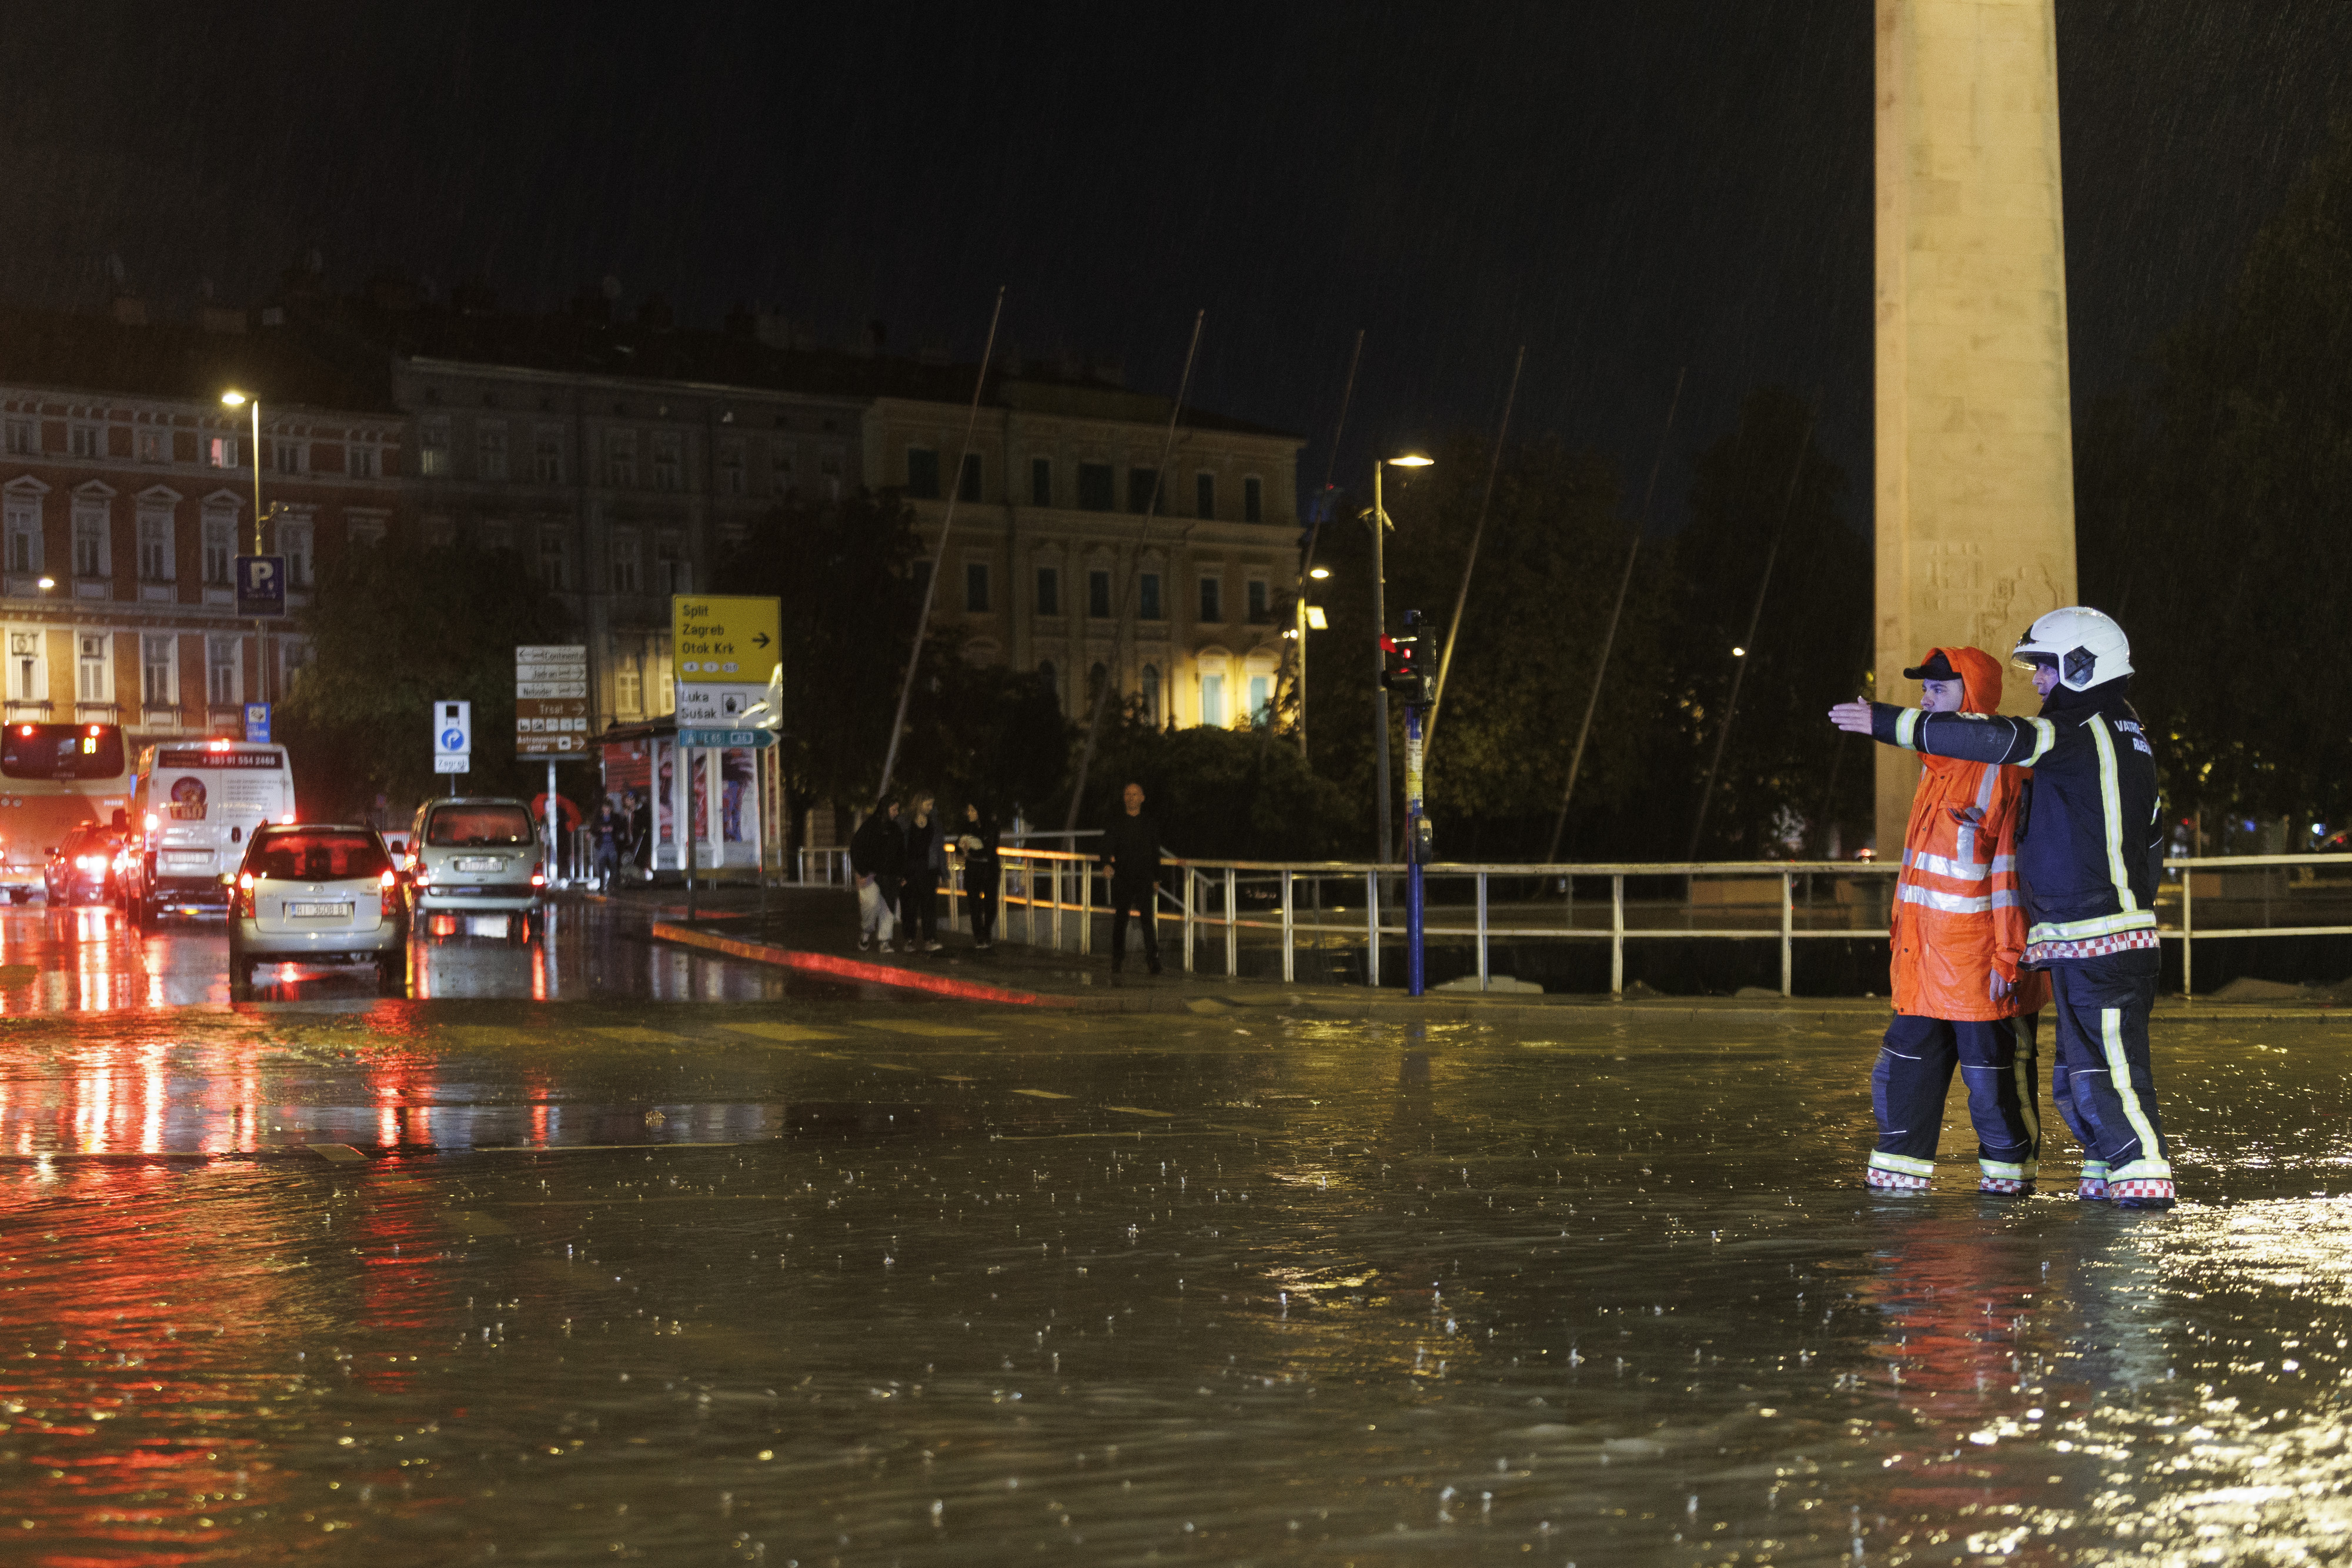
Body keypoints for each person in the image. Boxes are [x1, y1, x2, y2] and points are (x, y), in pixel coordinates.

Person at [1831, 606, 2173, 1209]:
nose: (2037, 680)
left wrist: (1885, 721)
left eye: (2046, 667)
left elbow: (2003, 740)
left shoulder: (2080, 729)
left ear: (2083, 665)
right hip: (2082, 935)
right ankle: (2107, 1177)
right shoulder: (2122, 734)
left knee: (2102, 1071)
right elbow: (2151, 841)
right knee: (2081, 1071)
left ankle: (2142, 1185)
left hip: (2083, 938)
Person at [1861, 646, 2049, 1197]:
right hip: (1927, 966)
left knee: (1995, 1090)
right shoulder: (1937, 770)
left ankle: (2009, 1189)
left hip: (1983, 970)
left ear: (1971, 699)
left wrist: (2010, 958)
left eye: (1938, 690)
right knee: (1903, 1076)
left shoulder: (2001, 773)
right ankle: (1897, 1182)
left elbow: (2013, 875)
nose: (1925, 699)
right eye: (1925, 689)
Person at [1099, 780, 1162, 975]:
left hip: (1144, 877)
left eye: (1135, 794)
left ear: (1142, 798)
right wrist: (1106, 863)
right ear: (1124, 798)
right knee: (1121, 919)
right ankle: (1117, 958)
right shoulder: (1116, 823)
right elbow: (1106, 845)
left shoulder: (1149, 824)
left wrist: (1157, 878)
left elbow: (1155, 853)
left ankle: (1152, 959)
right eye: (1128, 794)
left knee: (1147, 920)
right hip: (1123, 876)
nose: (1131, 798)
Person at [849, 799, 903, 952]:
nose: (897, 813)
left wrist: (901, 874)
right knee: (870, 905)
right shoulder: (869, 827)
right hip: (870, 875)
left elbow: (901, 853)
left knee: (888, 908)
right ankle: (866, 932)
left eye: (897, 809)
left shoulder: (895, 829)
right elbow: (856, 849)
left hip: (889, 876)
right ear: (885, 809)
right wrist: (861, 871)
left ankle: (885, 941)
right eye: (894, 809)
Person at [903, 794, 944, 953]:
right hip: (911, 871)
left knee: (929, 906)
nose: (930, 808)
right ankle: (909, 940)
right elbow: (900, 848)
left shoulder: (934, 823)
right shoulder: (906, 822)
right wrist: (901, 873)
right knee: (910, 907)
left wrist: (942, 871)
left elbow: (939, 849)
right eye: (928, 804)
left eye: (932, 805)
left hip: (929, 870)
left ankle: (930, 939)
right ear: (919, 804)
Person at [960, 801, 1001, 950]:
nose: (969, 813)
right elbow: (959, 844)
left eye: (972, 810)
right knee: (974, 904)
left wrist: (970, 853)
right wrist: (963, 849)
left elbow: (988, 850)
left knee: (990, 903)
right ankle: (979, 935)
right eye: (968, 810)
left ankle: (986, 931)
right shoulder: (967, 826)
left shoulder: (992, 827)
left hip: (989, 870)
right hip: (973, 870)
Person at [591, 800, 620, 892]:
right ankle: (602, 885)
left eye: (608, 808)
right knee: (602, 865)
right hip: (602, 845)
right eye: (605, 807)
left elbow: (619, 827)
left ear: (611, 809)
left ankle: (611, 885)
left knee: (613, 865)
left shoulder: (615, 817)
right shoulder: (599, 818)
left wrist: (612, 829)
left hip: (612, 844)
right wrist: (601, 829)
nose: (607, 810)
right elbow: (593, 829)